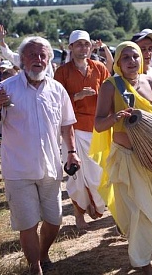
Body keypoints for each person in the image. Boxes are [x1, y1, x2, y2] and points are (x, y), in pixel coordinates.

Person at [0, 36, 80, 275]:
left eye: (42, 55)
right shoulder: (5, 89)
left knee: (54, 220)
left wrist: (72, 152)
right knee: (27, 223)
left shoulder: (57, 90)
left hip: (50, 167)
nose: (38, 59)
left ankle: (44, 252)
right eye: (33, 55)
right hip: (18, 170)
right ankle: (34, 266)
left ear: (48, 59)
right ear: (22, 59)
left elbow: (67, 125)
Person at [93, 41, 152, 274]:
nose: (131, 61)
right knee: (140, 210)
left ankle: (140, 253)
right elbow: (98, 124)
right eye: (125, 57)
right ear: (117, 62)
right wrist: (115, 117)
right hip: (126, 157)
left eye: (135, 56)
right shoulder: (110, 87)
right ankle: (142, 262)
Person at [54, 30, 109, 229]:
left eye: (86, 44)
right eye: (78, 45)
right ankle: (79, 215)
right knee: (76, 176)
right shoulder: (62, 72)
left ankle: (96, 206)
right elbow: (56, 101)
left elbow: (109, 92)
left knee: (98, 173)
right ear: (71, 48)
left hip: (97, 128)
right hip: (74, 129)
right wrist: (77, 96)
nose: (83, 48)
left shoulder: (99, 68)